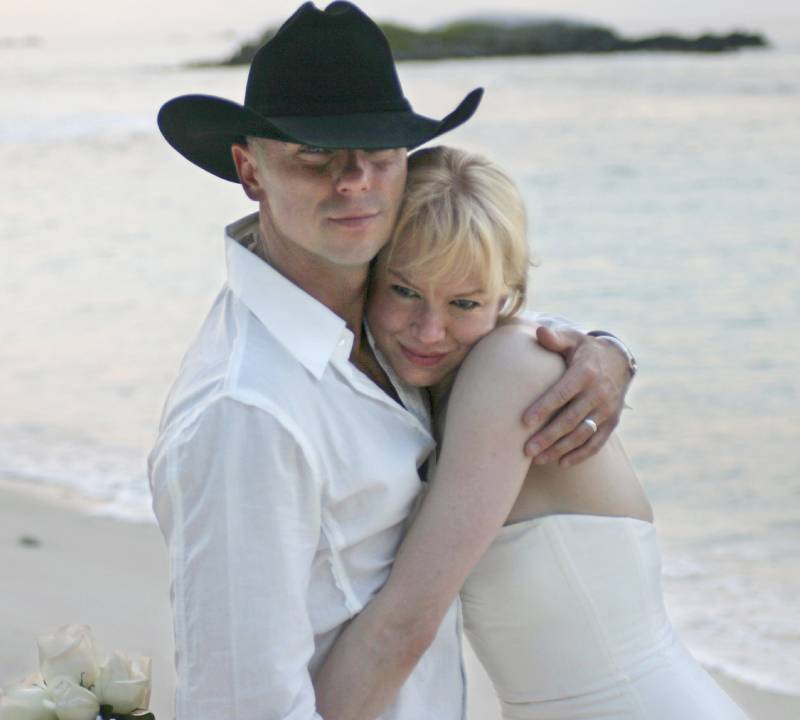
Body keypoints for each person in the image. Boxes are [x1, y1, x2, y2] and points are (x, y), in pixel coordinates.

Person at [148, 3, 636, 719]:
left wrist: (604, 350)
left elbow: (477, 308)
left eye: (378, 152)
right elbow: (241, 706)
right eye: (314, 155)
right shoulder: (248, 413)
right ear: (250, 172)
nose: (354, 181)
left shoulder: (385, 323)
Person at [311, 146, 749, 720]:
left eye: (464, 302)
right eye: (404, 290)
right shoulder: (433, 386)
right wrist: (614, 347)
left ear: (508, 295)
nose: (429, 329)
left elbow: (402, 626)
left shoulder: (511, 367)